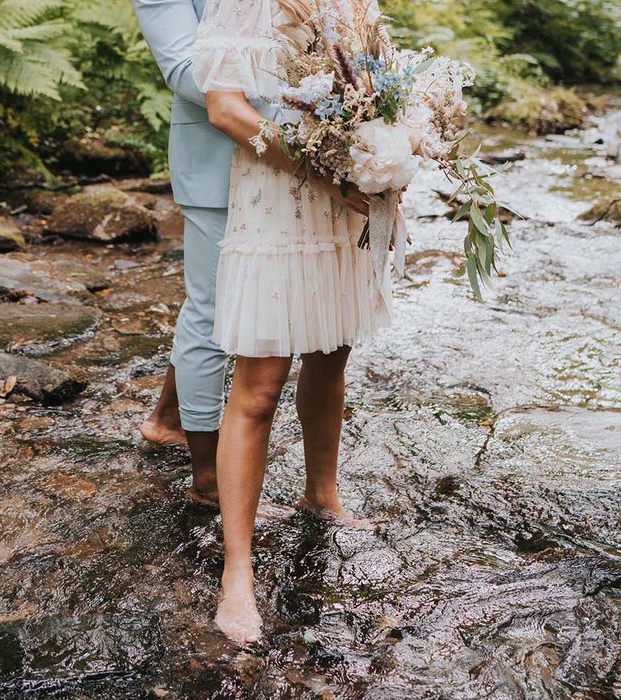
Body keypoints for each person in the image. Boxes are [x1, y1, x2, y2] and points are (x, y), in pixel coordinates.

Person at [191, 0, 394, 644]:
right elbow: (225, 109)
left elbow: (380, 93)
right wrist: (315, 167)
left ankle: (322, 495)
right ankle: (238, 574)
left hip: (348, 202)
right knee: (259, 385)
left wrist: (392, 155)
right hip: (278, 198)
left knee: (332, 352)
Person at [133, 0, 236, 507]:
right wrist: (298, 98)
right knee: (212, 312)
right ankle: (209, 482)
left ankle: (168, 418)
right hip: (217, 156)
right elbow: (183, 70)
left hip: (301, 161)